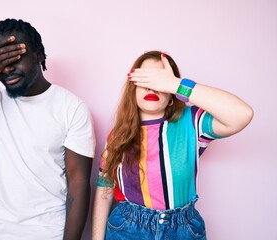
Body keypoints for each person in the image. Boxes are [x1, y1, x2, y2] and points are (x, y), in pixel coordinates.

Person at [0, 18, 95, 240]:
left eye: (15, 57)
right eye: (0, 62)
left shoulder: (71, 107)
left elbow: (79, 185)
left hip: (47, 234)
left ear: (38, 56)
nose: (8, 68)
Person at [92, 50, 253, 240]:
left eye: (159, 81)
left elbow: (242, 115)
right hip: (127, 229)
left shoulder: (191, 123)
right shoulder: (117, 135)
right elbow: (105, 188)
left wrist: (176, 84)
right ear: (132, 89)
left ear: (171, 95)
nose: (152, 88)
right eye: (145, 81)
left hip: (183, 231)